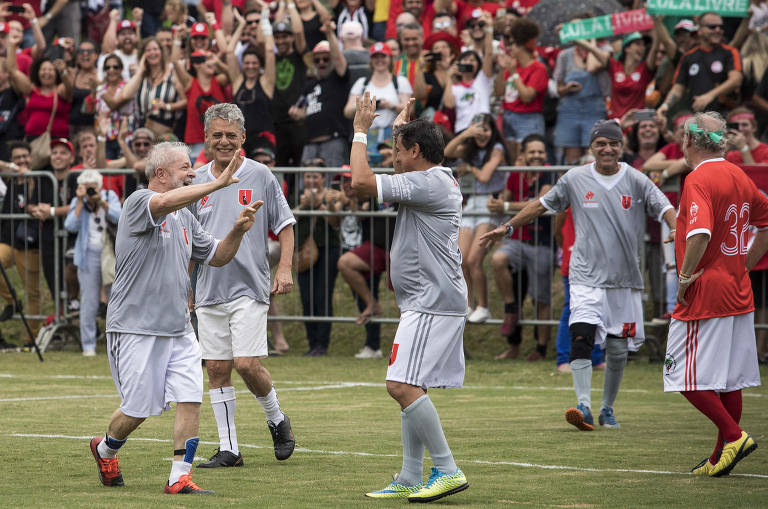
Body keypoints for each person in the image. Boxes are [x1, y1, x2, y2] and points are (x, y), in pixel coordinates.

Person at [480, 120, 676, 431]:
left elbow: (664, 206)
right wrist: (508, 227)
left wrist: (676, 228)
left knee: (616, 346)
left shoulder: (637, 180)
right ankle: (583, 405)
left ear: (622, 146)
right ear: (591, 147)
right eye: (601, 144)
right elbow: (541, 206)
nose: (607, 149)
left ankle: (607, 408)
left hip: (623, 280)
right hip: (585, 275)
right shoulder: (575, 178)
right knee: (581, 335)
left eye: (613, 143)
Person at [89, 142, 261, 494]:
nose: (192, 172)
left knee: (191, 398)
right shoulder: (138, 201)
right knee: (137, 410)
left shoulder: (186, 216)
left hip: (179, 327)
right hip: (136, 326)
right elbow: (164, 202)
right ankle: (105, 448)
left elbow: (217, 257)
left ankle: (179, 476)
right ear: (162, 174)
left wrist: (238, 232)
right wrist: (217, 184)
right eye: (185, 167)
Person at [352, 93, 469, 502]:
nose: (393, 158)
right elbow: (385, 174)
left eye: (399, 151)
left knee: (400, 385)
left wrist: (361, 133)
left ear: (416, 152)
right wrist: (400, 127)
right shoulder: (430, 178)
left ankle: (447, 469)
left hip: (432, 302)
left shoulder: (431, 181)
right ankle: (408, 476)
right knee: (411, 385)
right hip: (426, 301)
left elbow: (360, 182)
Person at [190, 104, 296, 467]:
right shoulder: (195, 181)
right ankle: (229, 449)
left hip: (250, 287)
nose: (223, 141)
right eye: (217, 135)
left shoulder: (261, 174)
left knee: (247, 363)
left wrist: (284, 268)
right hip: (208, 289)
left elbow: (285, 224)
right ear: (205, 138)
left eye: (230, 135)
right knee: (217, 369)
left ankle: (277, 418)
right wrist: (185, 287)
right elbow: (188, 240)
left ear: (243, 139)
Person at [665, 111, 768, 477]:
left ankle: (733, 435)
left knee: (679, 373)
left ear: (688, 141)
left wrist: (685, 276)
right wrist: (743, 265)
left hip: (705, 291)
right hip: (737, 289)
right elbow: (765, 222)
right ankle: (719, 457)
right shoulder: (738, 174)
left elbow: (701, 234)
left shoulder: (699, 178)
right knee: (728, 379)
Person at [486, 134, 554, 360]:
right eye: (532, 152)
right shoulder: (516, 174)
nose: (537, 156)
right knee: (498, 260)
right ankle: (510, 309)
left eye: (540, 152)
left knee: (540, 299)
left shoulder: (550, 172)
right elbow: (502, 200)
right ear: (523, 155)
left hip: (542, 243)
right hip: (517, 241)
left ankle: (541, 350)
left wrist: (504, 205)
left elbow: (540, 204)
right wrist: (494, 202)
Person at [444, 112, 509, 323]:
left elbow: (484, 176)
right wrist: (466, 135)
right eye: (478, 129)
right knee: (462, 259)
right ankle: (468, 304)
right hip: (471, 203)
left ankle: (483, 305)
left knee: (474, 260)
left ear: (493, 131)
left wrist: (470, 167)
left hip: (489, 204)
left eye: (486, 129)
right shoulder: (469, 148)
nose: (482, 134)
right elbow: (448, 151)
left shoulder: (497, 149)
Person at [64, 169, 122, 356]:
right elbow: (70, 225)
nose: (90, 191)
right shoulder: (78, 201)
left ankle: (117, 344)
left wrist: (101, 202)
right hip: (87, 254)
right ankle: (88, 344)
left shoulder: (109, 196)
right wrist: (80, 201)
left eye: (93, 187)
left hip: (109, 253)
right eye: (86, 187)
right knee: (89, 301)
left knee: (115, 299)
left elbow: (119, 217)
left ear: (99, 186)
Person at [657, 11, 742, 119]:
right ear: (700, 30)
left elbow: (736, 80)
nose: (718, 30)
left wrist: (709, 96)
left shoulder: (730, 52)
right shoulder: (688, 57)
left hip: (723, 117)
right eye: (712, 27)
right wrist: (666, 105)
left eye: (720, 27)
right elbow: (678, 87)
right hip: (696, 118)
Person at [295, 160, 341, 356]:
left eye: (315, 176)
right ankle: (311, 342)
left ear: (323, 178)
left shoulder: (332, 196)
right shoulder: (298, 196)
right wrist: (303, 206)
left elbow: (335, 221)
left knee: (323, 296)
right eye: (308, 176)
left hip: (327, 248)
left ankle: (322, 344)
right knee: (306, 297)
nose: (311, 180)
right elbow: (288, 219)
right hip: (303, 251)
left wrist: (320, 206)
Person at [291, 21, 350, 168]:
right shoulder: (309, 84)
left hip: (333, 141)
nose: (321, 62)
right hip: (310, 143)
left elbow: (338, 59)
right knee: (305, 186)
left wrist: (329, 33)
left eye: (326, 58)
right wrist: (297, 114)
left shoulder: (339, 77)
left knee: (333, 186)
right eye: (317, 60)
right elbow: (299, 109)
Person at [229, 7, 277, 156]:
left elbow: (269, 51)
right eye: (247, 63)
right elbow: (230, 53)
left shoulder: (266, 82)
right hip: (240, 140)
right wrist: (242, 25)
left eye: (254, 63)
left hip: (263, 140)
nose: (250, 66)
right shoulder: (238, 82)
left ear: (260, 65)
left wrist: (265, 23)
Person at [118, 37, 186, 137]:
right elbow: (126, 95)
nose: (152, 53)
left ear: (161, 52)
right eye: (148, 50)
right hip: (143, 131)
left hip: (166, 129)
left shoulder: (172, 73)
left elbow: (186, 101)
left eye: (155, 49)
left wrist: (167, 106)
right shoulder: (141, 76)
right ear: (143, 55)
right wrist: (140, 70)